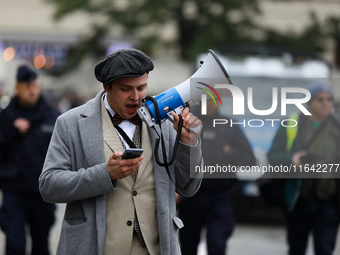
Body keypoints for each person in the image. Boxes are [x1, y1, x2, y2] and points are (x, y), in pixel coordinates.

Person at [39, 48, 203, 255]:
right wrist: (104, 174)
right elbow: (48, 185)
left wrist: (189, 145)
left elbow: (189, 188)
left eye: (141, 87)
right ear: (106, 86)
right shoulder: (70, 123)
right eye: (126, 89)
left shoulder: (166, 121)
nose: (136, 97)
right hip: (95, 247)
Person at [267, 81, 340, 255]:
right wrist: (291, 159)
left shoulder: (337, 127)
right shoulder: (291, 124)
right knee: (296, 248)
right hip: (299, 199)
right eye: (320, 99)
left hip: (329, 200)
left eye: (329, 99)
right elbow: (272, 156)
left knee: (324, 248)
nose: (326, 103)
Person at [178, 100, 256, 255]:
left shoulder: (228, 125)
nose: (209, 104)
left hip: (220, 196)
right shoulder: (187, 123)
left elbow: (250, 160)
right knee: (187, 245)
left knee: (217, 244)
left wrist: (228, 151)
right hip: (191, 196)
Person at [0, 65, 60, 255]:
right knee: (15, 245)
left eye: (34, 85)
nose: (32, 90)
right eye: (26, 87)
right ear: (17, 88)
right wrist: (13, 132)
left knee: (41, 245)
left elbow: (64, 151)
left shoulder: (52, 115)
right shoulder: (6, 116)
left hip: (43, 191)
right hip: (13, 190)